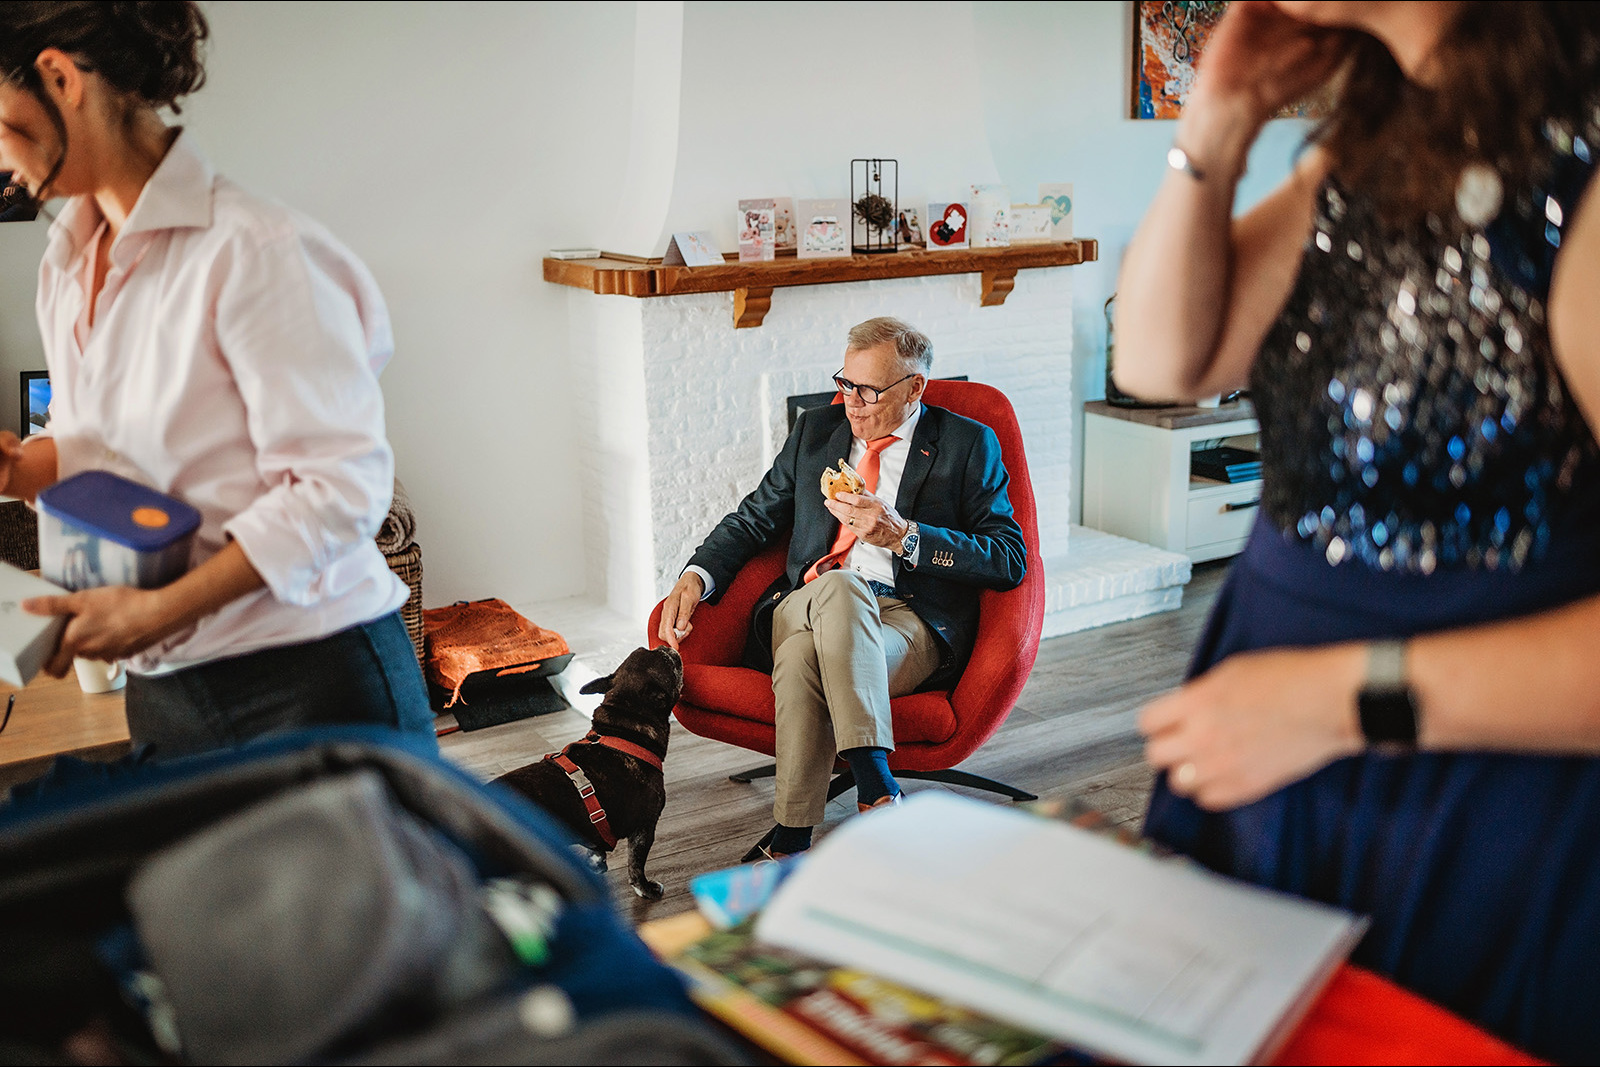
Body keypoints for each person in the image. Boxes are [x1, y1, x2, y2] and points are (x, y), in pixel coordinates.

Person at [1116, 1, 1600, 1060]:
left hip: (1478, 807)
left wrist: (1342, 700)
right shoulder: (1375, 147)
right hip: (1280, 767)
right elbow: (1158, 359)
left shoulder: (1579, 167)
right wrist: (1218, 120)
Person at [0, 2, 433, 757]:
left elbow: (341, 490)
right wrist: (20, 467)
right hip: (166, 685)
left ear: (61, 79)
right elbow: (95, 449)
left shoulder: (255, 250)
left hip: (307, 680)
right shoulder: (66, 262)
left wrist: (156, 611)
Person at [658, 317, 1026, 857]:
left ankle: (792, 837)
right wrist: (696, 575)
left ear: (915, 388)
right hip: (803, 606)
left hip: (907, 623)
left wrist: (905, 536)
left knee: (804, 657)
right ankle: (876, 784)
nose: (851, 402)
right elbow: (753, 519)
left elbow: (1008, 558)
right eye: (845, 383)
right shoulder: (815, 432)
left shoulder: (967, 444)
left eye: (869, 390)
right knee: (842, 588)